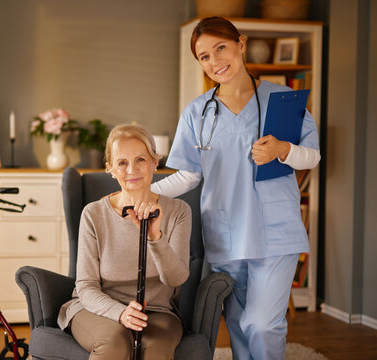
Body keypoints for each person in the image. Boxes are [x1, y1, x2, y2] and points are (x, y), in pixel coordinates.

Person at [151, 17, 320, 360]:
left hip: (275, 231)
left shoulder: (282, 99)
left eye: (221, 48)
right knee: (241, 323)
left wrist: (282, 150)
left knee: (263, 324)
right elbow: (188, 175)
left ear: (240, 45)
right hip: (226, 233)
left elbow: (312, 157)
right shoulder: (197, 112)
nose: (215, 61)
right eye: (204, 56)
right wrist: (142, 194)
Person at [58, 124, 191, 360]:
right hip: (95, 308)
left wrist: (154, 238)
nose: (132, 169)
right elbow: (86, 286)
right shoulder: (93, 214)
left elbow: (176, 279)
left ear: (154, 162)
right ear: (109, 168)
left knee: (156, 350)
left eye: (141, 159)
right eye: (122, 162)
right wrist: (120, 313)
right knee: (114, 343)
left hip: (156, 311)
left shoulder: (179, 211)